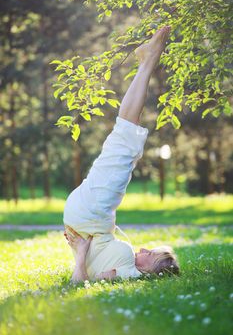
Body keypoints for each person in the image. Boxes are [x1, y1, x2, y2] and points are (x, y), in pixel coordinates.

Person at [63, 25, 180, 282]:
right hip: (90, 216)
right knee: (125, 139)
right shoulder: (127, 266)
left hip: (91, 213)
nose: (143, 249)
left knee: (124, 142)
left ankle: (148, 62)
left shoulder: (129, 272)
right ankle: (147, 62)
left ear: (153, 268)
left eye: (151, 253)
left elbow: (78, 283)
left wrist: (80, 254)